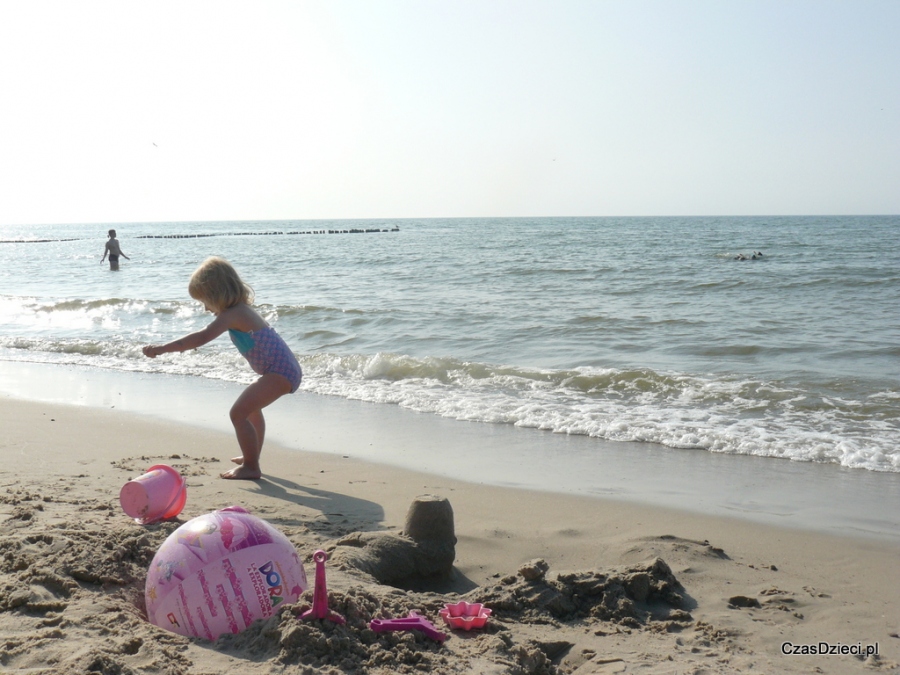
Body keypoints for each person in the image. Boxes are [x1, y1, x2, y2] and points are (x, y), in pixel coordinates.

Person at [142, 257, 302, 480]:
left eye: (204, 301)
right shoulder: (239, 311)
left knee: (238, 413)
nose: (205, 308)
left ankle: (252, 466)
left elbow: (201, 337)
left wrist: (162, 349)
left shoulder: (234, 314)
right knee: (251, 410)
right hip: (283, 370)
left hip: (280, 372)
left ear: (217, 294)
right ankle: (251, 455)